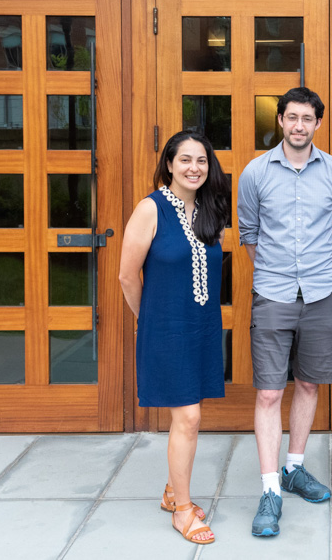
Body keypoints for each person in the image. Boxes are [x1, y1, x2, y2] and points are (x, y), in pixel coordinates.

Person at [237, 87, 332, 537]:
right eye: (292, 118)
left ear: (318, 124)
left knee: (308, 382)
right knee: (269, 392)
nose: (299, 126)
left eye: (307, 118)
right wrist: (276, 272)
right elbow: (249, 233)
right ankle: (270, 491)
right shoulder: (255, 172)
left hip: (322, 292)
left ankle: (294, 468)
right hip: (272, 293)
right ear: (281, 121)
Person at [118, 130, 230, 546]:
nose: (194, 168)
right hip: (165, 328)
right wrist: (150, 319)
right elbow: (128, 275)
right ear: (169, 164)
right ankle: (183, 510)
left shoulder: (211, 209)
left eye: (201, 160)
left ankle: (171, 492)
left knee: (190, 416)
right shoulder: (150, 209)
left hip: (201, 328)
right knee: (189, 418)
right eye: (185, 160)